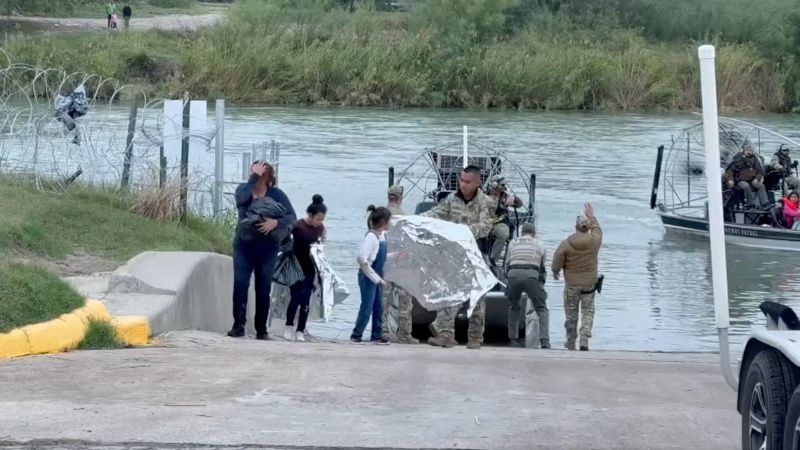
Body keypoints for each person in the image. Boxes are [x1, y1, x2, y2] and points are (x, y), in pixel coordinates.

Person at [421, 165, 494, 349]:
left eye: (467, 182)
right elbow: (435, 214)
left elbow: (486, 226)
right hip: (454, 256)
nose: (463, 184)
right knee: (449, 292)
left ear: (477, 182)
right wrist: (416, 220)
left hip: (476, 254)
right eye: (461, 180)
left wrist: (462, 231)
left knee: (478, 296)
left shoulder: (486, 202)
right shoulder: (451, 200)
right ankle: (446, 335)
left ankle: (475, 337)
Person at [228, 161, 297, 340]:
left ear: (268, 177)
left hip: (267, 248)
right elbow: (240, 200)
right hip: (244, 246)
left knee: (263, 289)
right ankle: (238, 326)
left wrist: (275, 223)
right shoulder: (244, 189)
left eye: (261, 172)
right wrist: (252, 179)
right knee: (241, 284)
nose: (257, 174)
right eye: (254, 171)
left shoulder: (277, 194)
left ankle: (261, 329)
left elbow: (292, 217)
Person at [552, 203, 602, 351]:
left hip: (572, 285)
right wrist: (592, 217)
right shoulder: (594, 241)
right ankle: (584, 340)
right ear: (587, 228)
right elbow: (598, 230)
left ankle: (570, 341)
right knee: (588, 312)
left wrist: (556, 271)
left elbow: (557, 259)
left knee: (571, 314)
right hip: (589, 284)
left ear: (576, 227)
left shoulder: (566, 243)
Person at [283, 195, 327, 342]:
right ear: (310, 215)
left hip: (310, 268)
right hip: (295, 266)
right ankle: (288, 326)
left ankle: (300, 329)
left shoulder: (321, 228)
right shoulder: (298, 226)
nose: (320, 222)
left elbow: (321, 248)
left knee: (306, 299)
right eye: (318, 219)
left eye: (322, 219)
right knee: (295, 296)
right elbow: (285, 240)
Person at [381, 185, 419, 344]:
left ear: (389, 196)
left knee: (384, 301)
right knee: (405, 301)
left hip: (385, 263)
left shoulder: (380, 216)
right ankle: (405, 334)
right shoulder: (405, 218)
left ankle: (382, 332)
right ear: (401, 197)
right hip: (402, 263)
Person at [351, 206, 393, 344]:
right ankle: (356, 335)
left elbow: (380, 256)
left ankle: (376, 334)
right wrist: (377, 279)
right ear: (384, 222)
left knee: (378, 306)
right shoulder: (371, 237)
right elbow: (362, 259)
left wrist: (397, 256)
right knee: (367, 307)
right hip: (368, 277)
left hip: (376, 276)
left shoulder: (381, 236)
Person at [505, 222, 550, 349]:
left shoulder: (512, 243)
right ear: (534, 233)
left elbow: (508, 263)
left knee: (514, 307)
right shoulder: (539, 244)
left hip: (513, 275)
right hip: (531, 276)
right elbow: (542, 266)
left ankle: (513, 339)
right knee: (541, 308)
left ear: (522, 232)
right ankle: (545, 341)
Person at [488, 175, 523, 265]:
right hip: (484, 221)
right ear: (495, 185)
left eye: (504, 185)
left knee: (504, 234)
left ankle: (493, 260)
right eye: (502, 185)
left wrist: (515, 200)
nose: (504, 187)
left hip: (498, 222)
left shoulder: (505, 196)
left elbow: (519, 205)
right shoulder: (485, 194)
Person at [725, 145, 769, 209]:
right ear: (744, 151)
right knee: (746, 186)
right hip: (741, 180)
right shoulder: (738, 159)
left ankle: (765, 203)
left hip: (753, 180)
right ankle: (750, 204)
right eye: (747, 150)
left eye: (750, 150)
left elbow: (760, 172)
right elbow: (730, 171)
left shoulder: (755, 160)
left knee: (761, 186)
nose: (749, 152)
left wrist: (757, 179)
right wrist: (730, 180)